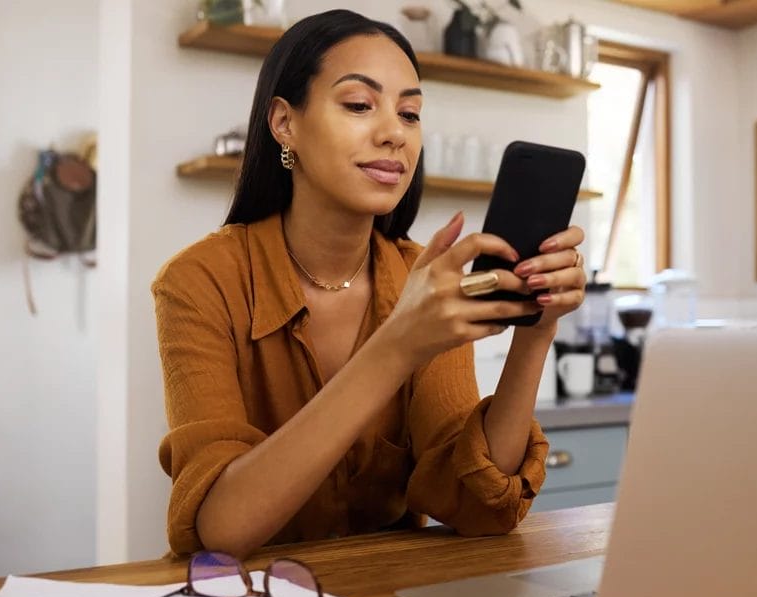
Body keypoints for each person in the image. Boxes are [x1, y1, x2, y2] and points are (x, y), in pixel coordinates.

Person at [153, 9, 587, 558]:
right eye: (360, 105)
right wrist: (398, 344)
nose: (393, 134)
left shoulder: (421, 276)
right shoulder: (199, 282)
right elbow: (221, 528)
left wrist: (535, 332)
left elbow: (481, 507)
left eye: (410, 114)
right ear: (285, 123)